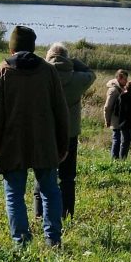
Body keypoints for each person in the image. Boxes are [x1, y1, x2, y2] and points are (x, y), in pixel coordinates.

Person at [0, 25, 69, 247]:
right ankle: (53, 240)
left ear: (12, 48)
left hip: (12, 144)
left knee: (14, 194)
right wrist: (62, 145)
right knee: (50, 191)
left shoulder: (2, 71)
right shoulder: (48, 70)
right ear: (32, 47)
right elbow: (61, 111)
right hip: (45, 143)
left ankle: (21, 243)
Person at [34, 43, 96, 219]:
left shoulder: (41, 77)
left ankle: (39, 214)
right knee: (68, 177)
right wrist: (74, 61)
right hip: (69, 133)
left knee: (42, 175)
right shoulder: (77, 78)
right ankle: (67, 213)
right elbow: (92, 74)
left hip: (45, 132)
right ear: (67, 58)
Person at [104, 69, 129, 159]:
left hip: (121, 120)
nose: (126, 81)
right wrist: (107, 120)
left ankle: (117, 160)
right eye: (125, 79)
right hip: (115, 120)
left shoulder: (121, 88)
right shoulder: (113, 90)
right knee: (116, 140)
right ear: (119, 78)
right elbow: (107, 107)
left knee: (119, 140)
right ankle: (114, 160)